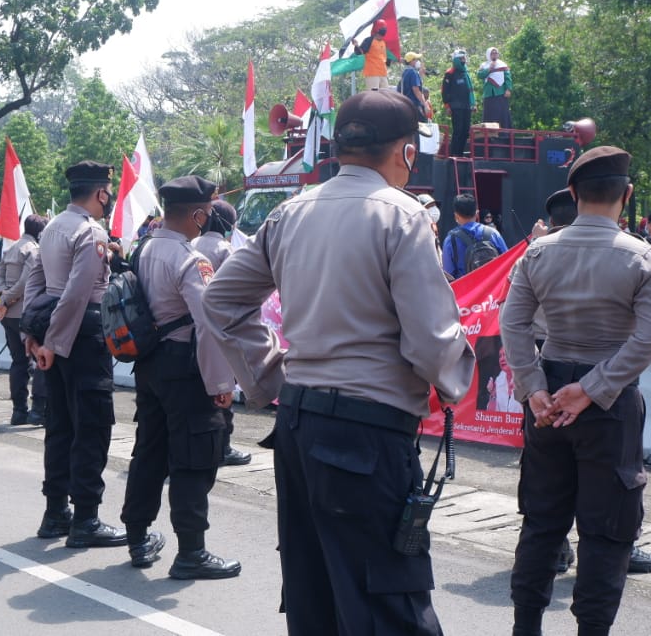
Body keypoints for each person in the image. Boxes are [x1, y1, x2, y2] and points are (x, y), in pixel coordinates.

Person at [201, 89, 475, 633]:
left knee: (315, 594)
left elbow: (222, 300)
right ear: (407, 152)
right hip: (367, 433)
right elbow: (430, 341)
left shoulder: (290, 211)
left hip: (298, 424)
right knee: (388, 605)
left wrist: (270, 375)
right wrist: (452, 382)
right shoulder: (402, 214)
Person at [500, 145, 651, 636]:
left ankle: (525, 627)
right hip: (608, 404)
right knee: (607, 533)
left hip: (548, 398)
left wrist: (533, 385)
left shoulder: (538, 252)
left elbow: (512, 323)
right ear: (627, 195)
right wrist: (594, 388)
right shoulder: (640, 257)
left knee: (541, 523)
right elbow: (650, 337)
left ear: (573, 194)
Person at [117, 176, 240, 579]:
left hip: (151, 363)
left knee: (149, 451)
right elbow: (208, 325)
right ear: (200, 214)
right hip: (185, 367)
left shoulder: (145, 248)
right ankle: (192, 551)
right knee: (193, 458)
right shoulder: (191, 260)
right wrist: (221, 383)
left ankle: (137, 535)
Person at [21, 161, 126, 547]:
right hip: (81, 338)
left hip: (56, 338)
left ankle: (55, 513)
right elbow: (77, 295)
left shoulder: (52, 227)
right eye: (109, 191)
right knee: (92, 428)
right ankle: (86, 519)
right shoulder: (91, 231)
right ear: (101, 193)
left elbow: (36, 283)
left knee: (60, 426)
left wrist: (32, 337)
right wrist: (51, 342)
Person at [190, 198, 251, 467]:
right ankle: (223, 446)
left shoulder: (191, 244)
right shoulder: (226, 249)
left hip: (189, 334)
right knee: (223, 389)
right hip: (219, 331)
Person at [0, 214, 47, 426]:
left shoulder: (12, 247)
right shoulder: (33, 250)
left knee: (18, 362)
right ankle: (37, 410)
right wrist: (6, 300)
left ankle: (19, 411)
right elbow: (27, 282)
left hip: (9, 314)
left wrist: (3, 296)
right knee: (40, 361)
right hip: (26, 313)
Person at [442, 193, 507, 280]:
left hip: (467, 291)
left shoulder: (450, 239)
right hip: (493, 289)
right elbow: (507, 262)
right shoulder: (493, 233)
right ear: (477, 214)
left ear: (456, 216)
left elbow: (448, 273)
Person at [441, 49, 476, 158]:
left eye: (464, 58)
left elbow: (470, 90)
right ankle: (454, 153)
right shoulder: (449, 73)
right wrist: (447, 105)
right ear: (456, 60)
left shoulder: (465, 73)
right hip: (456, 106)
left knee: (466, 131)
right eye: (461, 59)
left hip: (467, 106)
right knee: (458, 130)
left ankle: (460, 153)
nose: (463, 61)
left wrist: (473, 104)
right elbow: (444, 91)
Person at [477, 46, 513, 129]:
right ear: (488, 54)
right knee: (489, 114)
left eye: (496, 53)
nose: (494, 55)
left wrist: (508, 89)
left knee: (502, 114)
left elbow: (508, 77)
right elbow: (480, 75)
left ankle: (504, 135)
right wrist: (489, 69)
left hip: (500, 92)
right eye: (492, 53)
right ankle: (489, 135)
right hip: (488, 93)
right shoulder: (484, 65)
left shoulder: (502, 64)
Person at [353, 20, 391, 90]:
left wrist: (396, 59)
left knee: (386, 95)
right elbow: (360, 52)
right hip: (372, 72)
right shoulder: (369, 40)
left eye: (385, 28)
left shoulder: (383, 42)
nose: (384, 30)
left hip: (383, 73)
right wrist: (356, 45)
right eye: (383, 28)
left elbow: (385, 58)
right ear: (377, 29)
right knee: (374, 95)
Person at [400, 52, 431, 117]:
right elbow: (416, 90)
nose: (417, 61)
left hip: (406, 104)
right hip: (414, 105)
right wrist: (425, 105)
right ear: (411, 61)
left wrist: (420, 75)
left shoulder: (405, 72)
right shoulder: (413, 73)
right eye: (416, 59)